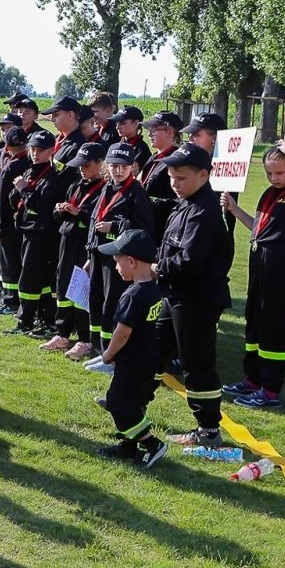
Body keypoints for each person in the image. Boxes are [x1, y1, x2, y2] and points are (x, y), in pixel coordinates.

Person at [221, 139, 285, 409]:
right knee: (255, 319)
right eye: (270, 173)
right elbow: (257, 229)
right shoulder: (269, 194)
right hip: (261, 259)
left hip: (283, 262)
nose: (274, 178)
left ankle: (271, 390)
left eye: (280, 172)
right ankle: (253, 379)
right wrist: (234, 209)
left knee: (273, 324)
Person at [151, 143, 233, 447]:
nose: (175, 184)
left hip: (196, 299)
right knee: (154, 350)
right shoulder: (185, 203)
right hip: (176, 295)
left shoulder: (203, 210)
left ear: (203, 175)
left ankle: (208, 429)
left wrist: (157, 268)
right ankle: (130, 402)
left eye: (181, 178)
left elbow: (189, 261)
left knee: (196, 364)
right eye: (172, 177)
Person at [90, 229, 170, 468]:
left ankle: (152, 443)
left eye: (117, 262)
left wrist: (108, 354)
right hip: (147, 358)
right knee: (131, 403)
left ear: (132, 262)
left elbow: (122, 332)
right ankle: (127, 448)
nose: (116, 268)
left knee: (117, 402)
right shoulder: (155, 289)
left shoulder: (134, 295)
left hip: (132, 360)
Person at [75, 142, 153, 368]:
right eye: (114, 166)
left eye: (124, 166)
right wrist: (91, 251)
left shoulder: (137, 193)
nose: (118, 171)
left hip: (118, 258)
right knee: (96, 300)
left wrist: (115, 226)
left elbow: (143, 227)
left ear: (132, 167)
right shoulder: (107, 188)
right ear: (107, 167)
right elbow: (94, 221)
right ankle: (99, 348)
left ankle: (112, 356)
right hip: (99, 254)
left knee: (112, 304)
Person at [44, 142, 107, 353]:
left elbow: (96, 218)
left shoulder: (104, 189)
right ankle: (62, 333)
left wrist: (77, 212)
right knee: (63, 284)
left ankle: (84, 338)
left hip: (84, 244)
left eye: (86, 165)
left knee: (82, 287)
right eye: (79, 165)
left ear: (100, 164)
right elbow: (59, 214)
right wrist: (60, 210)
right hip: (66, 240)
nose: (82, 169)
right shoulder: (76, 184)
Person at [5, 130, 61, 337]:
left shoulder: (53, 177)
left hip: (41, 234)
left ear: (51, 151)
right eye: (33, 149)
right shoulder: (30, 172)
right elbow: (13, 199)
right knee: (38, 278)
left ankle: (25, 320)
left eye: (41, 150)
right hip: (26, 230)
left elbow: (40, 207)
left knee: (29, 278)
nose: (36, 154)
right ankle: (43, 317)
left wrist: (25, 191)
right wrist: (20, 190)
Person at [0, 126, 31, 316]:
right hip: (22, 220)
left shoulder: (11, 166)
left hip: (7, 221)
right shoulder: (30, 162)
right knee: (16, 260)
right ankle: (12, 297)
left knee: (8, 262)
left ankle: (9, 299)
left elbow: (1, 197)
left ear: (8, 147)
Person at [139, 111, 184, 242]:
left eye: (154, 129)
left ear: (170, 131)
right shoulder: (154, 157)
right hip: (147, 223)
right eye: (149, 129)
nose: (149, 133)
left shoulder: (177, 159)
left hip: (163, 227)